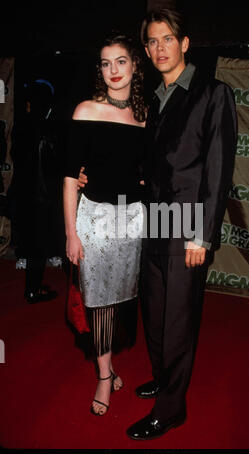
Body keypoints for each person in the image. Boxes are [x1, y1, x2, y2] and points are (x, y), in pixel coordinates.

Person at [125, 8, 238, 439]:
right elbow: (151, 167)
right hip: (154, 222)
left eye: (166, 39)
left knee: (177, 320)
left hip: (189, 226)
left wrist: (202, 236)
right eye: (151, 42)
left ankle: (171, 408)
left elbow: (217, 169)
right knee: (153, 313)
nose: (158, 49)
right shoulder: (155, 98)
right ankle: (163, 378)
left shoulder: (213, 93)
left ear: (185, 42)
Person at [63, 33, 146, 416]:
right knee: (97, 302)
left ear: (135, 65)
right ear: (99, 69)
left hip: (132, 222)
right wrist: (71, 233)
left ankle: (108, 364)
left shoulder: (146, 115)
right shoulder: (86, 111)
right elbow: (69, 178)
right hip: (93, 219)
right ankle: (102, 375)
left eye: (121, 61)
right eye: (105, 63)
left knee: (118, 299)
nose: (113, 70)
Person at [9, 79, 64, 303]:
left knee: (32, 245)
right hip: (43, 198)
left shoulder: (20, 128)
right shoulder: (50, 129)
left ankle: (33, 287)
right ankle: (33, 289)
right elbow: (56, 166)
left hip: (23, 196)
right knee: (41, 246)